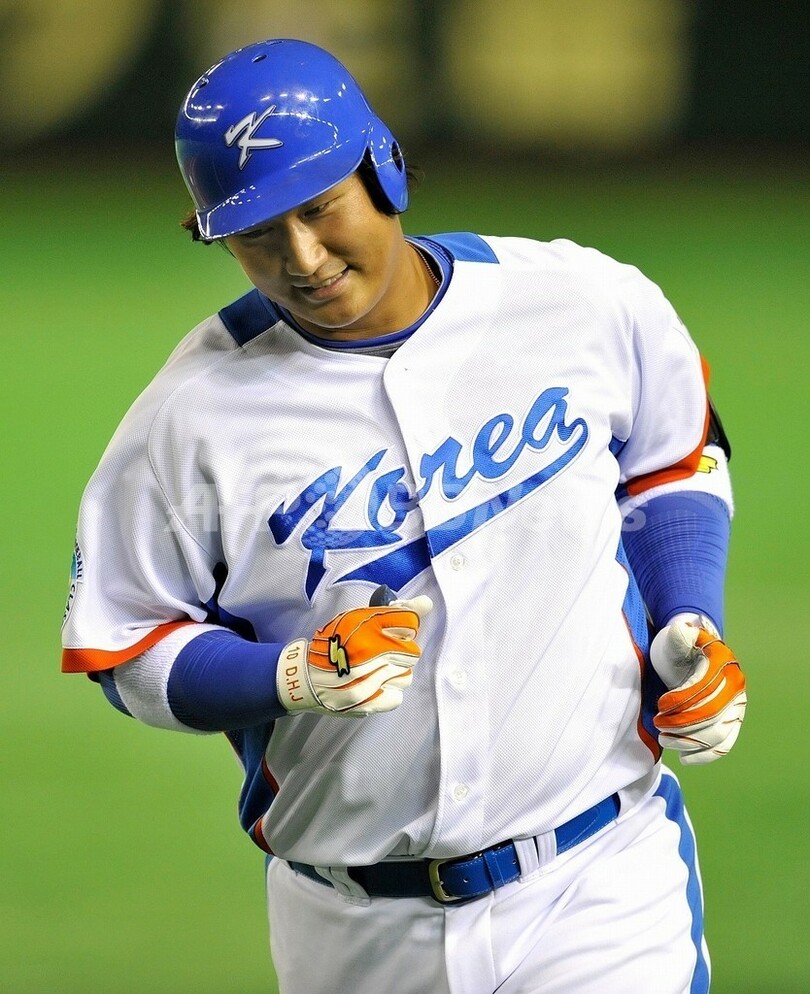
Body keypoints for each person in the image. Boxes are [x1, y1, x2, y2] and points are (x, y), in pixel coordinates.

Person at [62, 38, 748, 994]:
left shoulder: (579, 302)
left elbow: (674, 456)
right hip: (351, 927)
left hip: (598, 884)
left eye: (318, 208)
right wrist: (289, 675)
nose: (302, 258)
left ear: (381, 166)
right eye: (258, 232)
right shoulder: (188, 420)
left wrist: (690, 620)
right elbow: (127, 646)